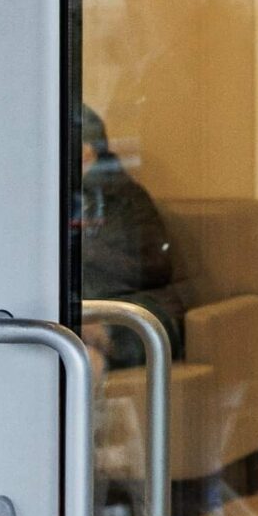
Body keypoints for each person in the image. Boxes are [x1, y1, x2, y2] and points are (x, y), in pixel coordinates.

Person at [76, 106, 184, 367]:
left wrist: (85, 248)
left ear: (87, 152)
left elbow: (153, 268)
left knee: (86, 346)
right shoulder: (56, 198)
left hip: (131, 309)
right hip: (84, 309)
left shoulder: (126, 197)